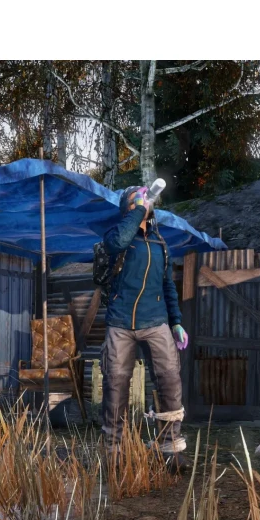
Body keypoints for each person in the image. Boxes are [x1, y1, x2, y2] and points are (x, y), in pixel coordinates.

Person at [100, 184, 189, 454]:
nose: (144, 200)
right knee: (116, 383)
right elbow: (117, 242)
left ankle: (169, 443)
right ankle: (113, 449)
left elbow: (168, 285)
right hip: (120, 322)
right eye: (136, 198)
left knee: (169, 379)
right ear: (128, 208)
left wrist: (176, 321)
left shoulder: (160, 244)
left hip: (156, 321)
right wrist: (138, 208)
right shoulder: (116, 235)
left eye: (145, 197)